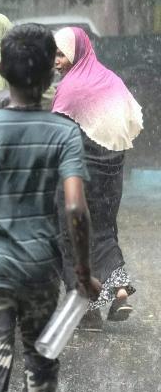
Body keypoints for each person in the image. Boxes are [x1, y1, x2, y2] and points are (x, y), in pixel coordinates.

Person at [0, 23, 101, 392]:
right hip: (40, 268)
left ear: (3, 69)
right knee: (40, 366)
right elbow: (75, 210)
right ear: (50, 73)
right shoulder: (64, 132)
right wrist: (83, 273)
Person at [52, 26, 143, 330]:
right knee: (104, 230)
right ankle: (118, 291)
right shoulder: (112, 80)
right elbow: (131, 121)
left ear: (77, 53)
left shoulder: (70, 87)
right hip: (112, 171)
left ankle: (86, 308)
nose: (56, 60)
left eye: (61, 54)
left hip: (79, 175)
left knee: (71, 233)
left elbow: (57, 135)